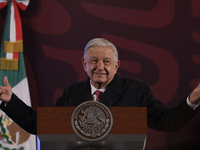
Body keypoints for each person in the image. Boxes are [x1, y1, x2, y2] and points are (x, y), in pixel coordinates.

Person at [0, 38, 200, 135]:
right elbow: (40, 125)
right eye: (94, 61)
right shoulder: (71, 94)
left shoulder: (136, 90)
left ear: (116, 65)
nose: (100, 67)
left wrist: (193, 99)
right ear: (84, 64)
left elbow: (166, 122)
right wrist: (10, 101)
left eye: (106, 61)